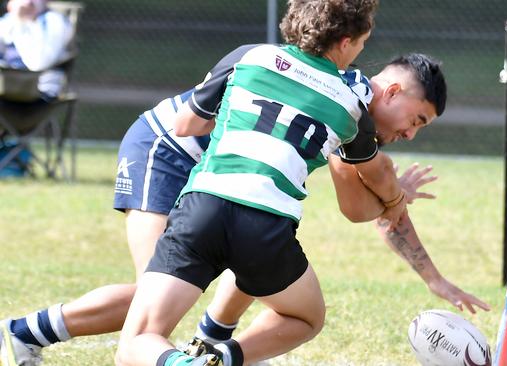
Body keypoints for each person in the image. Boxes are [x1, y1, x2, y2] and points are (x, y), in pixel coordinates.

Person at [114, 1, 484, 365]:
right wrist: (396, 197)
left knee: (138, 341)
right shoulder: (350, 102)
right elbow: (367, 194)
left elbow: (189, 124)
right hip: (238, 203)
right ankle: (217, 351)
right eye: (417, 120)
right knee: (306, 315)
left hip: (204, 202)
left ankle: (201, 353)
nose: (410, 134)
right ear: (345, 43)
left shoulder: (251, 56)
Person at [0, 0, 73, 101]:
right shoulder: (8, 20)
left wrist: (21, 22)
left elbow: (37, 64)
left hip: (39, 91)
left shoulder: (54, 21)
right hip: (6, 88)